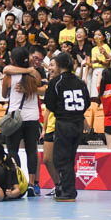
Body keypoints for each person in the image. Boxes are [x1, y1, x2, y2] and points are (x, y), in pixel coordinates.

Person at [44, 52, 90, 202]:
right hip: (77, 124)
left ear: (59, 65)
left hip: (64, 123)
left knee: (61, 159)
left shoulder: (56, 82)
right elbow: (87, 103)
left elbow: (49, 106)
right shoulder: (80, 82)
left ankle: (68, 192)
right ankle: (68, 189)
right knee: (70, 158)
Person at [1, 47, 43, 196]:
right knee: (32, 150)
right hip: (32, 117)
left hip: (15, 116)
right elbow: (40, 84)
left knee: (12, 150)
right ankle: (32, 183)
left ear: (13, 60)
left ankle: (19, 182)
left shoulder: (9, 76)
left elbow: (4, 94)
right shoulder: (34, 75)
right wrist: (29, 71)